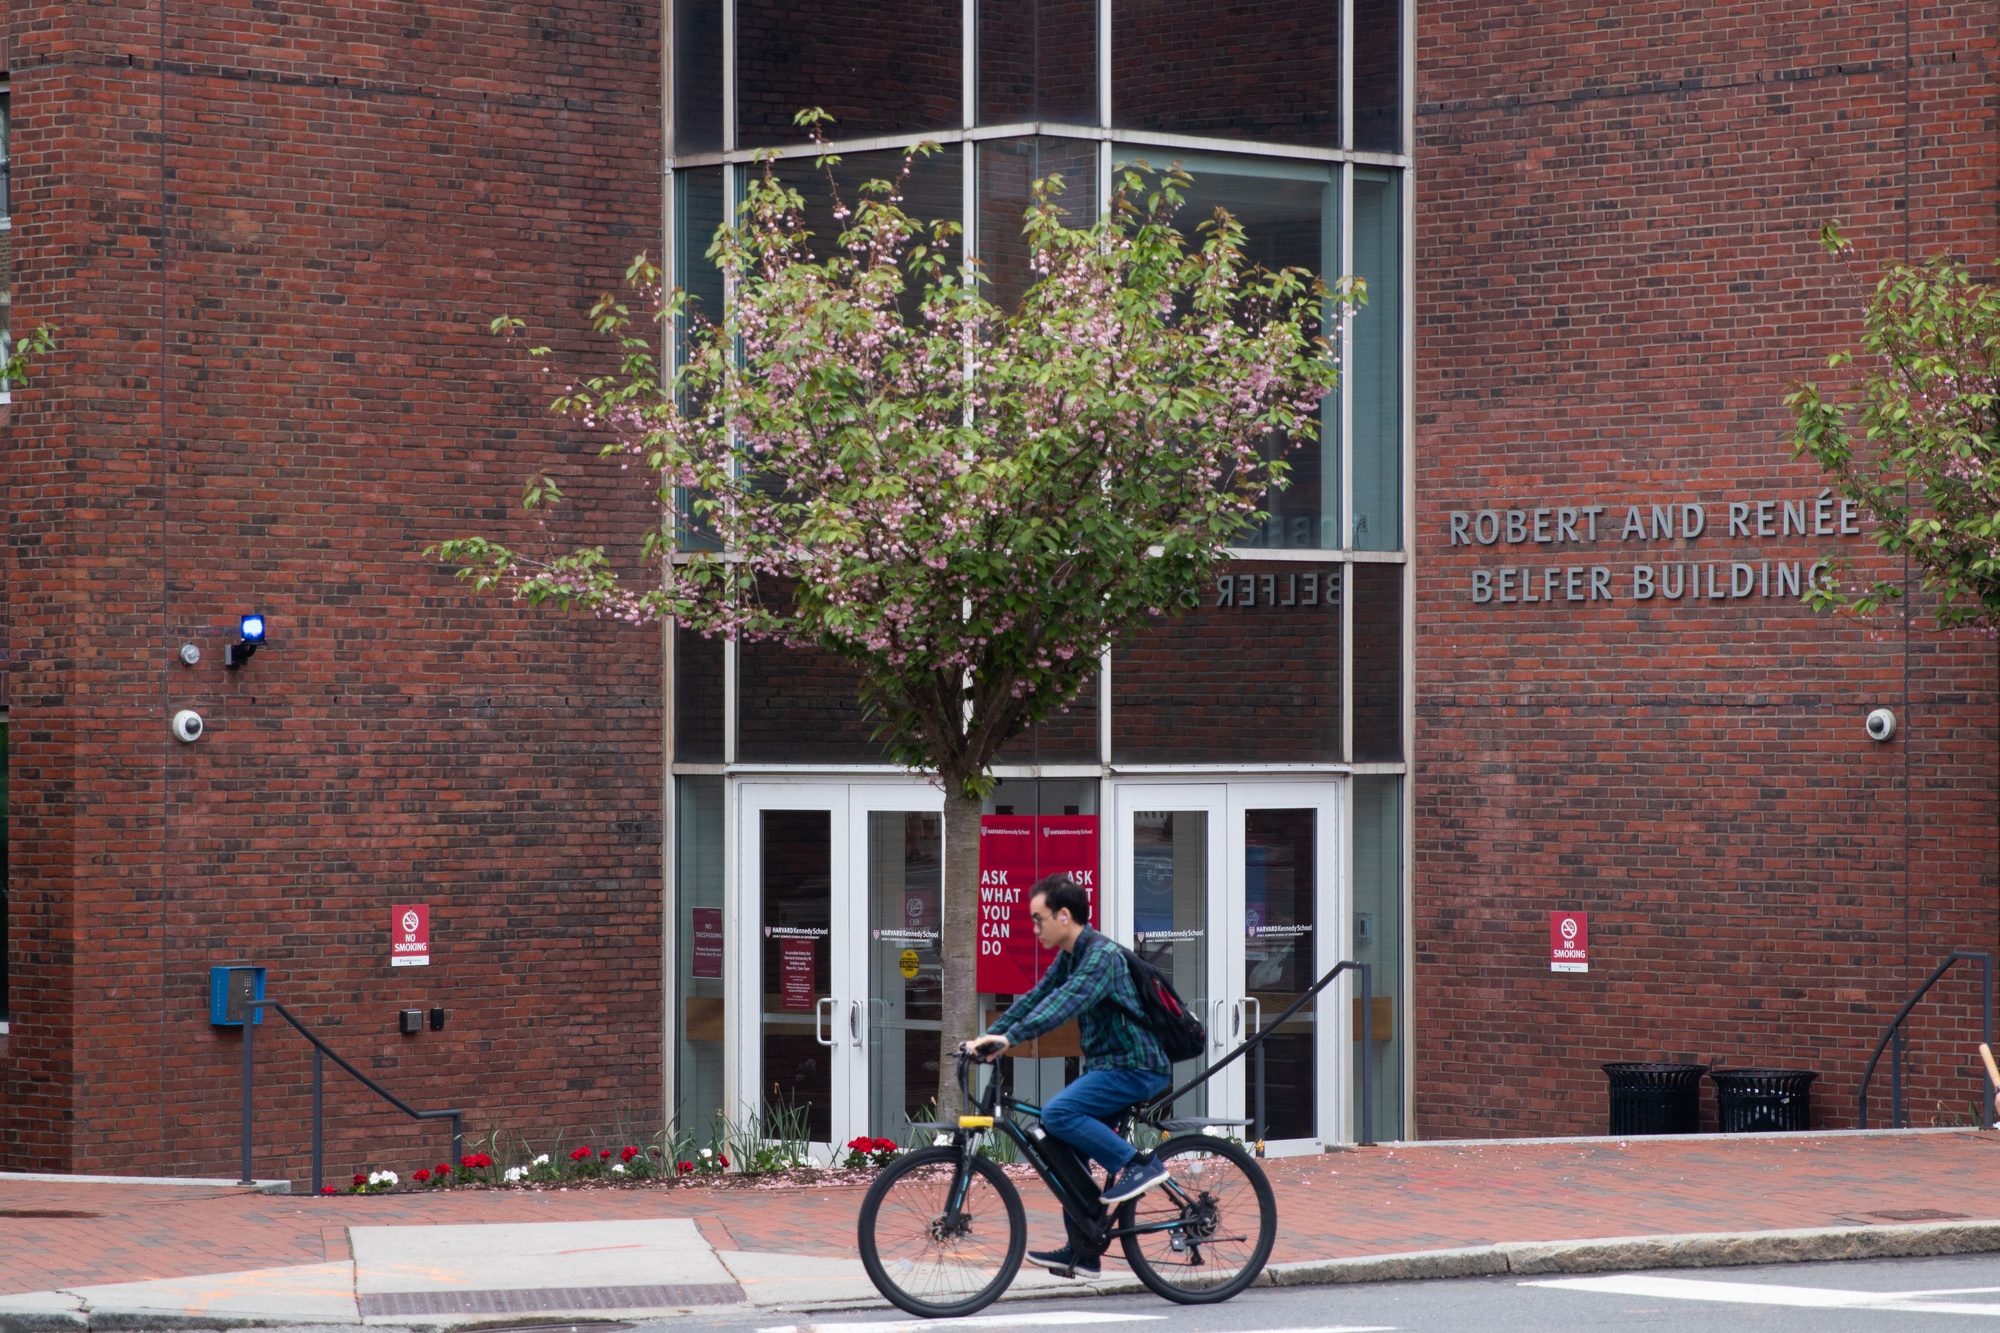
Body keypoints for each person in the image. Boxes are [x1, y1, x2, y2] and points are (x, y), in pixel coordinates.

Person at [961, 874, 1170, 1278]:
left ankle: (1137, 1166)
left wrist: (1010, 1039)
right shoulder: (1072, 955)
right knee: (1061, 1152)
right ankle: (1085, 1249)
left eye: (1038, 920)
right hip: (1109, 1068)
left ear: (1063, 914)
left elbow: (1064, 1004)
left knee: (1057, 1114)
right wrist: (991, 1035)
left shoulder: (1100, 957)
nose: (1035, 928)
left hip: (1137, 1067)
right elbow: (1039, 996)